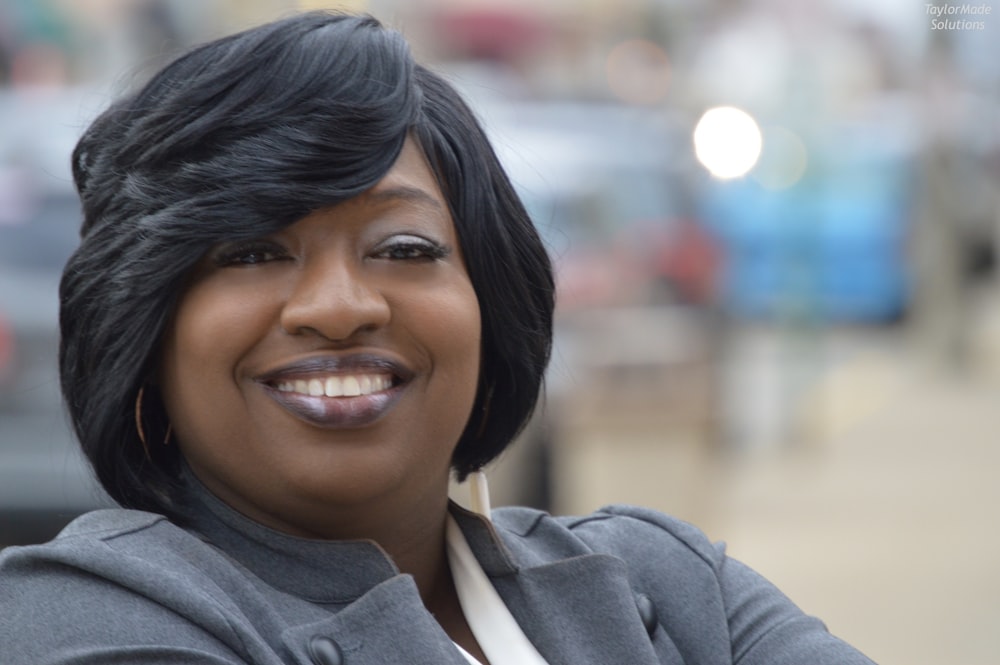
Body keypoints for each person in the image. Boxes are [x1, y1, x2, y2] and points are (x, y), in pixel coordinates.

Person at [0, 12, 876, 665]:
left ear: (492, 306)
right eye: (255, 251)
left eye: (405, 248)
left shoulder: (669, 582)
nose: (339, 305)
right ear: (144, 328)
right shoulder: (79, 621)